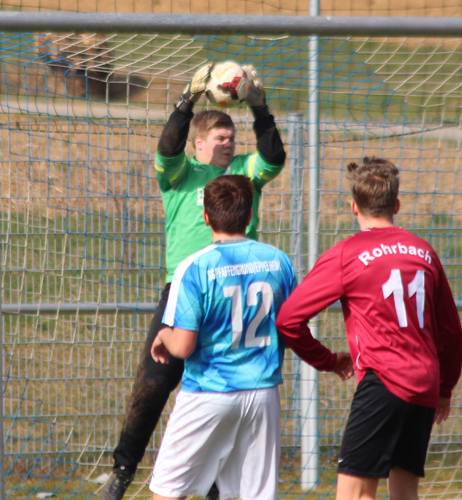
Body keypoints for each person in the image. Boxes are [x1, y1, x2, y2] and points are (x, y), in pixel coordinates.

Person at [98, 63, 287, 500]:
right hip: (183, 290)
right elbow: (166, 146)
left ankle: (218, 487)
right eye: (220, 139)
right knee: (154, 381)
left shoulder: (244, 173)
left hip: (232, 289)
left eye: (231, 139)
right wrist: (186, 99)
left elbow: (273, 156)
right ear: (198, 144)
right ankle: (123, 472)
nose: (228, 145)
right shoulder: (179, 174)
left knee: (224, 388)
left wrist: (259, 107)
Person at [275, 157, 462, 500]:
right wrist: (445, 388)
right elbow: (451, 332)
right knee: (404, 492)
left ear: (353, 207)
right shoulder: (424, 252)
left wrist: (329, 361)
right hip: (425, 382)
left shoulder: (347, 254)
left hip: (384, 382)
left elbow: (288, 320)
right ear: (397, 205)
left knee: (355, 495)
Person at [146, 175, 344, 500]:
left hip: (209, 392)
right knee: (255, 495)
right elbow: (294, 326)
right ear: (250, 216)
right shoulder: (278, 261)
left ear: (205, 216)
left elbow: (183, 346)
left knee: (168, 492)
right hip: (262, 393)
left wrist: (163, 335)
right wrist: (329, 360)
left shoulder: (193, 267)